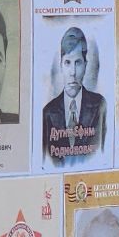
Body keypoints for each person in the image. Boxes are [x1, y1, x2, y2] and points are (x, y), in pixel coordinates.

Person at [43, 26, 106, 165]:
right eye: (67, 63)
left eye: (78, 63)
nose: (72, 72)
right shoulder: (48, 112)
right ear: (61, 65)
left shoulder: (100, 106)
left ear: (85, 65)